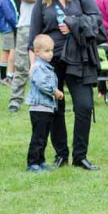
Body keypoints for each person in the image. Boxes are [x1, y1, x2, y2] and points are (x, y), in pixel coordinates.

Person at [27, 0, 103, 170]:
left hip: (79, 58)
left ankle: (80, 155)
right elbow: (33, 36)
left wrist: (74, 24)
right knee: (55, 108)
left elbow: (97, 19)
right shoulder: (42, 1)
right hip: (52, 63)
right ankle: (61, 154)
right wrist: (34, 66)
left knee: (84, 106)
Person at [8, 0, 45, 112]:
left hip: (46, 23)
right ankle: (15, 101)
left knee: (48, 62)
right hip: (25, 23)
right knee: (22, 63)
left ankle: (47, 97)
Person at [26, 35, 62, 172]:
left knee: (44, 136)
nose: (51, 54)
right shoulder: (39, 67)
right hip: (39, 107)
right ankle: (32, 163)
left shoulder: (47, 67)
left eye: (51, 50)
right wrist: (55, 92)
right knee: (38, 137)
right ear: (36, 52)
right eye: (47, 51)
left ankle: (41, 161)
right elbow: (42, 84)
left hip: (47, 108)